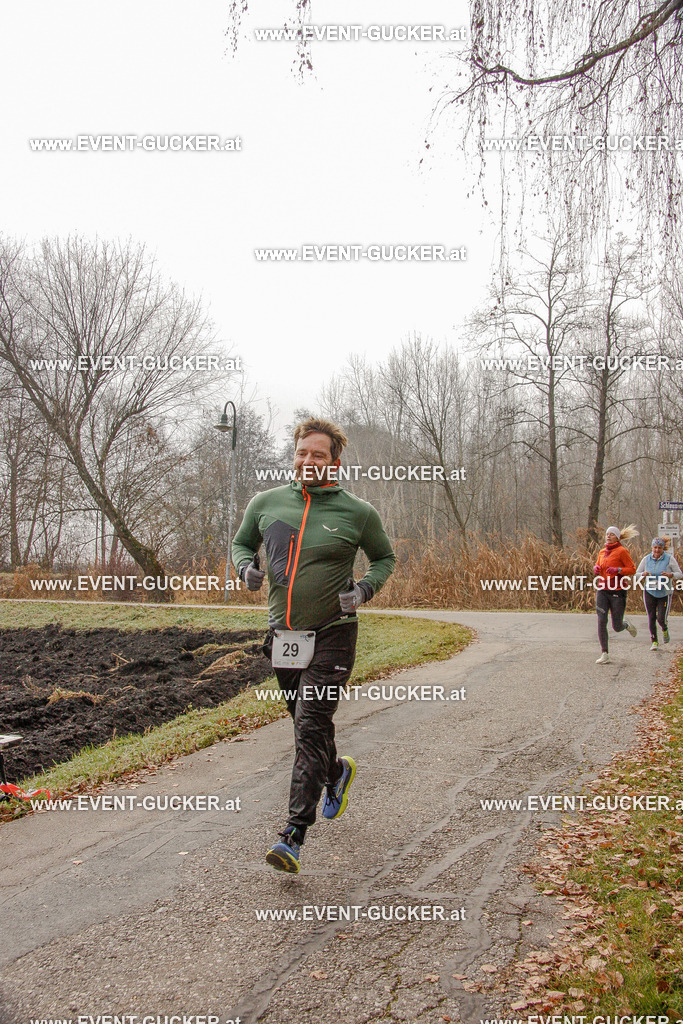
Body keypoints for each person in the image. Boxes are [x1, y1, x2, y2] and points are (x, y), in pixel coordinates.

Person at [232, 416, 396, 873]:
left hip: (333, 634)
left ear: (334, 462)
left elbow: (385, 558)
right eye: (302, 453)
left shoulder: (357, 512)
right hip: (283, 636)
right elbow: (241, 543)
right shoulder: (266, 503)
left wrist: (364, 589)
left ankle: (292, 835)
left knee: (309, 724)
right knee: (307, 724)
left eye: (318, 454)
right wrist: (245, 567)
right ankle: (336, 771)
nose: (308, 461)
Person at [593, 525, 638, 664]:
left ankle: (626, 625)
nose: (608, 536)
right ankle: (604, 653)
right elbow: (599, 567)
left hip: (617, 591)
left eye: (612, 534)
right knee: (601, 621)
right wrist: (596, 568)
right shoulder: (601, 552)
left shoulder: (622, 551)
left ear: (617, 537)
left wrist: (618, 569)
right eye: (607, 534)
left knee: (616, 626)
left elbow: (632, 569)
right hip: (602, 590)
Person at [634, 537, 682, 650]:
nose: (656, 550)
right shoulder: (646, 559)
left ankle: (664, 629)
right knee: (651, 617)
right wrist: (643, 574)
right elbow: (636, 574)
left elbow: (679, 573)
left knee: (661, 618)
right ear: (652, 548)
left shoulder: (669, 559)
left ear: (662, 548)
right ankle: (654, 641)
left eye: (659, 548)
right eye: (655, 547)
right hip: (649, 591)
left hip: (664, 593)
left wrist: (671, 575)